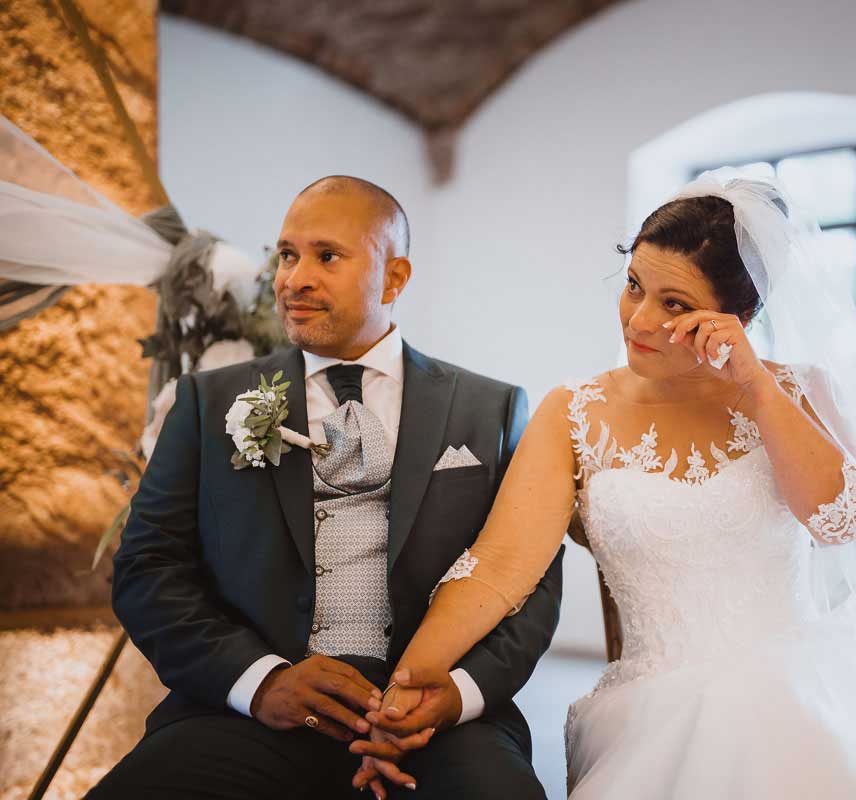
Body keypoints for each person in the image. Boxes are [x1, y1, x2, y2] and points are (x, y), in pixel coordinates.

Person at [361, 170, 856, 798]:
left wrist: (754, 388)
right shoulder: (573, 411)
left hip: (805, 689)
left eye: (674, 302)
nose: (640, 319)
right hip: (653, 705)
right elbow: (500, 566)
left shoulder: (799, 392)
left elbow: (840, 522)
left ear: (736, 318)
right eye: (633, 285)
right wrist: (403, 688)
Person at [88, 176, 564, 800]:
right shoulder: (209, 403)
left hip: (433, 717)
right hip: (251, 712)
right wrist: (259, 681)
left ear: (394, 278)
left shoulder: (490, 409)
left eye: (327, 257)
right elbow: (148, 568)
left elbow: (531, 579)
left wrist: (457, 695)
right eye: (287, 255)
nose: (294, 279)